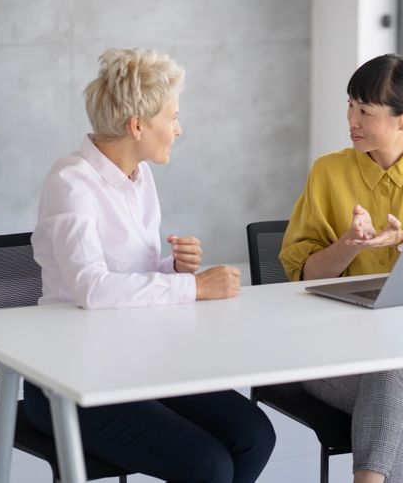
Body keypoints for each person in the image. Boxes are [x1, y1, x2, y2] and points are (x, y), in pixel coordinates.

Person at [24, 48, 275, 483]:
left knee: (253, 435)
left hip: (140, 361)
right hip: (68, 377)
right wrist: (193, 288)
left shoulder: (140, 178)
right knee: (208, 465)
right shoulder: (71, 183)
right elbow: (93, 289)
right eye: (172, 117)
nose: (180, 128)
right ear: (137, 125)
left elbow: (127, 274)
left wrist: (173, 267)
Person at [279, 53, 403, 483]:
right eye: (350, 105)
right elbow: (304, 275)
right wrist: (347, 246)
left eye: (365, 111)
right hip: (330, 353)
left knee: (388, 375)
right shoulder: (327, 172)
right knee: (389, 391)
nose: (351, 119)